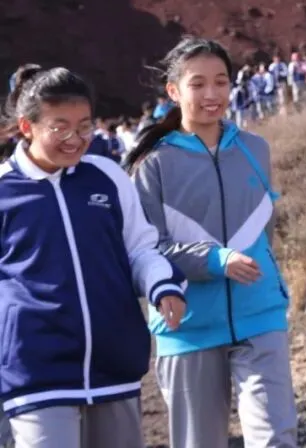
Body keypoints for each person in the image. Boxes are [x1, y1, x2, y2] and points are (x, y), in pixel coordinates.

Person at [0, 63, 187, 448]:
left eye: (84, 126)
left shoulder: (107, 176)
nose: (75, 139)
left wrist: (162, 285)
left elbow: (140, 248)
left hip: (114, 366)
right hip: (35, 373)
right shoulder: (4, 190)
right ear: (27, 126)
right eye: (60, 127)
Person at [123, 37, 297, 448]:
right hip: (187, 327)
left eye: (221, 81)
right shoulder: (152, 163)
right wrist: (215, 260)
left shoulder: (255, 149)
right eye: (198, 84)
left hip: (260, 315)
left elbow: (266, 230)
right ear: (173, 91)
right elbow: (145, 249)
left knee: (276, 439)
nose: (212, 94)